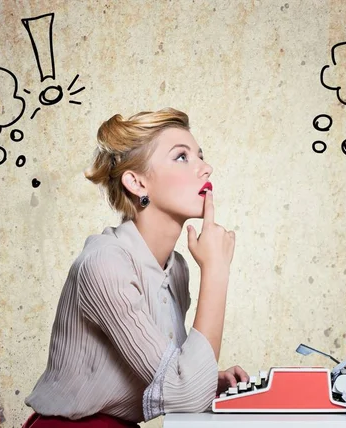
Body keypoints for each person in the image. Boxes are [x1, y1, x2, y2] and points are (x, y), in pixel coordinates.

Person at [23, 108, 248, 427]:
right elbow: (186, 395)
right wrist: (216, 271)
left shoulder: (176, 268)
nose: (205, 168)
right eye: (182, 157)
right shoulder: (105, 263)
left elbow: (171, 375)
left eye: (201, 155)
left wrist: (209, 379)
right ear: (137, 182)